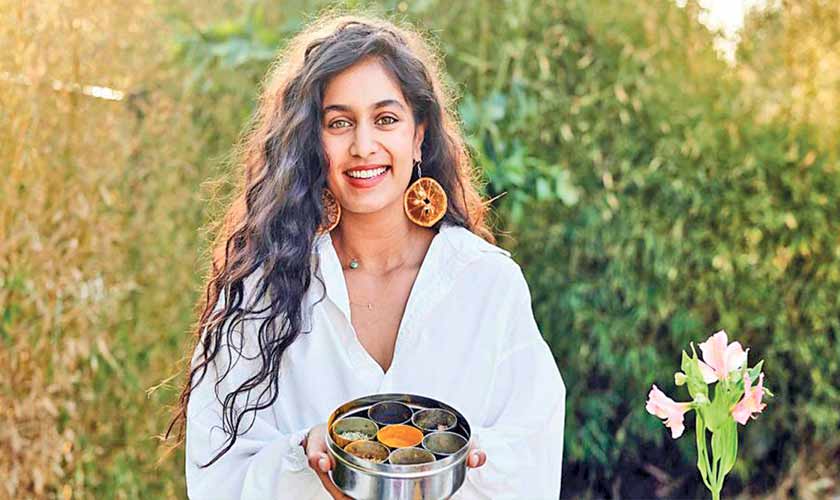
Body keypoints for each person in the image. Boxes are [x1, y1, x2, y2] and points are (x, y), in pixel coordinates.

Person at [167, 12, 566, 500]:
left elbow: (532, 463)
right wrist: (302, 454)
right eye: (339, 123)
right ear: (312, 142)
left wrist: (462, 463)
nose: (363, 145)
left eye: (386, 119)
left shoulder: (487, 283)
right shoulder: (261, 288)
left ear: (419, 136)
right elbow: (215, 474)